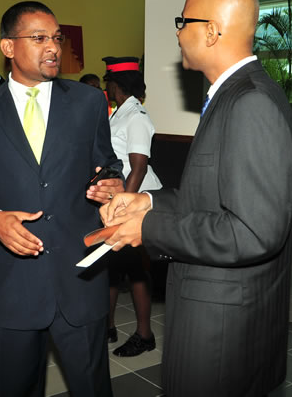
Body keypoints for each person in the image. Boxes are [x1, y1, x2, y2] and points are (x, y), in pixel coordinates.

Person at [100, 0, 292, 396]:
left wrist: (149, 228)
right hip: (221, 311)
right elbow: (210, 197)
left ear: (211, 31)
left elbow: (251, 232)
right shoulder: (230, 95)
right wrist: (145, 200)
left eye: (183, 21)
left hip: (223, 326)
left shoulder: (250, 103)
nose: (177, 32)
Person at [0, 1, 123, 397]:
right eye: (39, 38)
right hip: (14, 285)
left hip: (80, 279)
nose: (53, 47)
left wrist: (111, 182)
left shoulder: (88, 103)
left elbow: (106, 163)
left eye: (56, 38)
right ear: (8, 47)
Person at [101, 56, 162, 357]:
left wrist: (125, 206)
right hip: (124, 197)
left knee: (137, 269)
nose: (107, 88)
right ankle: (108, 326)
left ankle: (144, 334)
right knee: (113, 267)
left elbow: (138, 166)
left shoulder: (136, 116)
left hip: (138, 199)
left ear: (117, 84)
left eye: (109, 82)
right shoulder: (120, 113)